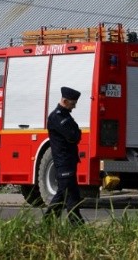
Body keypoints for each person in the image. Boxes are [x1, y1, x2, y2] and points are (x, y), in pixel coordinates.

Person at [44, 86, 84, 224]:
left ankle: (50, 222)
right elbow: (73, 135)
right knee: (68, 195)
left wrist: (76, 133)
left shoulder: (65, 116)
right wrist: (76, 133)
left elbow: (76, 133)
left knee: (68, 194)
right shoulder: (57, 117)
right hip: (63, 161)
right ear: (65, 101)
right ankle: (75, 224)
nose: (74, 107)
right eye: (72, 104)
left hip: (69, 160)